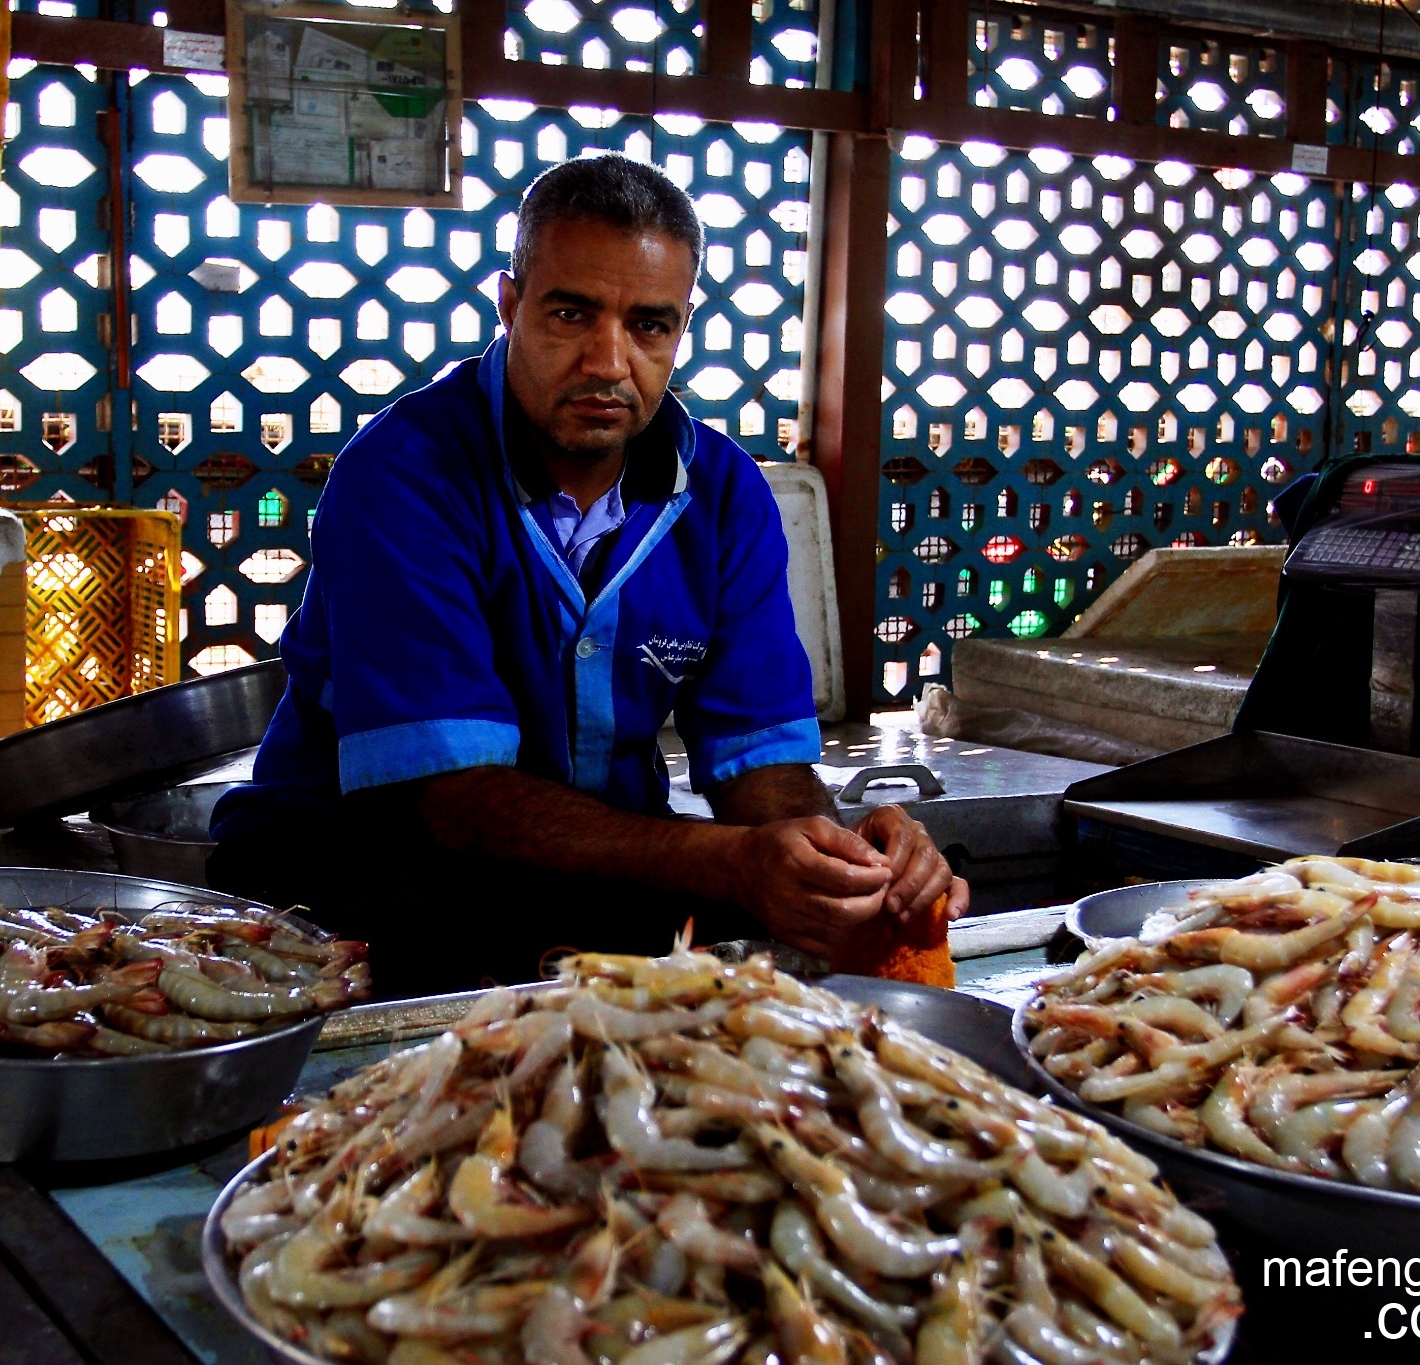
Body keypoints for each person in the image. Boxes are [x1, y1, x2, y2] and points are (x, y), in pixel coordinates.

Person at [209, 155, 964, 997]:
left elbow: (762, 770)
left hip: (594, 879)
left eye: (648, 325)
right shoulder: (405, 475)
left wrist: (841, 861)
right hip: (359, 879)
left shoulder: (721, 496)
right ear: (510, 304)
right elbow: (454, 801)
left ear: (680, 329)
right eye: (572, 314)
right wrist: (733, 863)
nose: (609, 362)